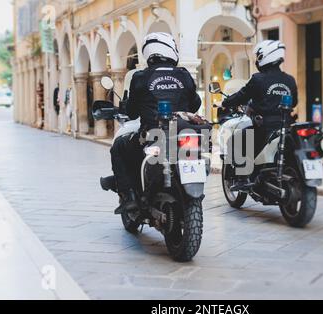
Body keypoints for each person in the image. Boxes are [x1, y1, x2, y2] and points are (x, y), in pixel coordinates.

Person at [109, 32, 202, 215]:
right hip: (183, 134)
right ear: (170, 49)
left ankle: (129, 196)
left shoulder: (140, 77)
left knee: (118, 147)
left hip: (151, 137)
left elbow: (132, 112)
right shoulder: (184, 75)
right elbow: (195, 104)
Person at [222, 40, 298, 158]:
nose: (257, 60)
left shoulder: (258, 79)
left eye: (258, 56)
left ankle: (242, 176)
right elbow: (295, 102)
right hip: (287, 127)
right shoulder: (290, 80)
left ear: (265, 56)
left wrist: (226, 102)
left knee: (234, 141)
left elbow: (241, 96)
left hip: (264, 128)